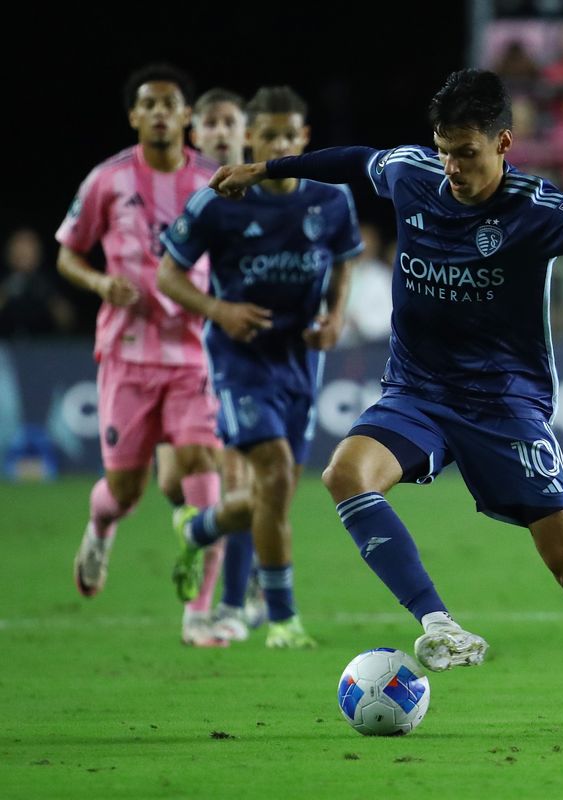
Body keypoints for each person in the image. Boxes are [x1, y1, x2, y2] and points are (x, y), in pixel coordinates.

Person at [210, 68, 563, 722]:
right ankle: (439, 624)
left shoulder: (535, 209)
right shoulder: (413, 174)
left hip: (504, 405)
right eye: (444, 150)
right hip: (418, 390)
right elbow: (355, 162)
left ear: (503, 143)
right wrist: (267, 167)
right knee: (346, 475)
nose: (452, 167)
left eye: (466, 153)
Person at [158, 86, 362, 649]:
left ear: (304, 139)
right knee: (271, 473)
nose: (278, 143)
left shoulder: (331, 200)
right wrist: (218, 309)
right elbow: (167, 275)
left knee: (273, 497)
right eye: (267, 135)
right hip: (240, 360)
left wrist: (336, 315)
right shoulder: (219, 199)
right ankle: (281, 619)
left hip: (300, 362)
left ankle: (198, 528)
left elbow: (345, 263)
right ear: (251, 139)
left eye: (288, 135)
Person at [55, 63, 225, 646]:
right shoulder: (107, 180)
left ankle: (199, 612)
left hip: (195, 354)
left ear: (185, 116)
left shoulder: (211, 180)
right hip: (127, 356)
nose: (158, 112)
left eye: (169, 103)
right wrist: (102, 285)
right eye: (147, 104)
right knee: (124, 491)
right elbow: (68, 253)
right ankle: (100, 528)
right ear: (134, 116)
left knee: (204, 462)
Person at [155, 87, 267, 643]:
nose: (222, 132)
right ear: (194, 132)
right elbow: (164, 268)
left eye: (232, 122)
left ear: (243, 130)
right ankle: (201, 536)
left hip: (231, 355)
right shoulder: (182, 191)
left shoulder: (256, 189)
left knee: (240, 475)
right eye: (212, 124)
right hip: (165, 350)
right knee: (171, 480)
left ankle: (230, 599)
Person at [0, 227, 75, 338]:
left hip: (44, 347)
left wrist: (47, 293)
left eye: (29, 247)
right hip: (5, 347)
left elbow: (68, 320)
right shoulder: (3, 278)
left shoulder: (52, 278)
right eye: (18, 247)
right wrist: (6, 289)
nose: (23, 253)